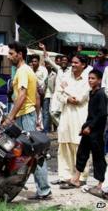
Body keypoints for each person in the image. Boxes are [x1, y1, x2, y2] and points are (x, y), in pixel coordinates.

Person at [3, 41, 51, 200]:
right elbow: (36, 96)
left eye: (11, 54)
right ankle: (9, 187)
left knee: (34, 154)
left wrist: (10, 116)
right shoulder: (26, 70)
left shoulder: (23, 71)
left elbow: (23, 96)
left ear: (20, 54)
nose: (8, 56)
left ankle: (44, 190)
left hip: (25, 116)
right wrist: (37, 117)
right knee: (18, 152)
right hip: (27, 115)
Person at [65, 70, 107, 195]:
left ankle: (101, 183)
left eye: (93, 78)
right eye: (89, 78)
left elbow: (102, 113)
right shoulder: (91, 93)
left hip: (96, 132)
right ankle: (76, 179)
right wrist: (85, 126)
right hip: (88, 130)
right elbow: (91, 114)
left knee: (98, 157)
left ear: (99, 80)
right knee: (82, 153)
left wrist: (91, 127)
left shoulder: (101, 94)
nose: (90, 80)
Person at [56, 55, 90, 189]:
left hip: (80, 116)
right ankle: (65, 177)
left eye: (76, 63)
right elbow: (58, 94)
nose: (73, 65)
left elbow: (79, 98)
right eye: (72, 62)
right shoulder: (66, 77)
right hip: (66, 115)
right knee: (64, 145)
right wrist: (66, 99)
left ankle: (81, 177)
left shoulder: (88, 79)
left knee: (79, 147)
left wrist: (66, 90)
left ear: (83, 65)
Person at [43, 61, 57, 133]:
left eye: (48, 64)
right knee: (45, 113)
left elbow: (55, 85)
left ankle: (53, 128)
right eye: (46, 64)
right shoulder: (45, 74)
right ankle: (46, 129)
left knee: (51, 112)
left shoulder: (54, 74)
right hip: (45, 95)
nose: (47, 65)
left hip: (52, 95)